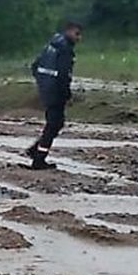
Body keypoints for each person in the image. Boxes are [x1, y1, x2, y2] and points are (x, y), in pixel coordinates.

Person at [25, 21, 82, 170]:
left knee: (55, 123)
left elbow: (35, 66)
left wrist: (42, 82)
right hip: (55, 91)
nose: (79, 38)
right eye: (77, 34)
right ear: (68, 31)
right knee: (54, 124)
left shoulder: (52, 45)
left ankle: (35, 151)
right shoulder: (65, 49)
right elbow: (64, 75)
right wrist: (66, 94)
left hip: (46, 89)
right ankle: (38, 159)